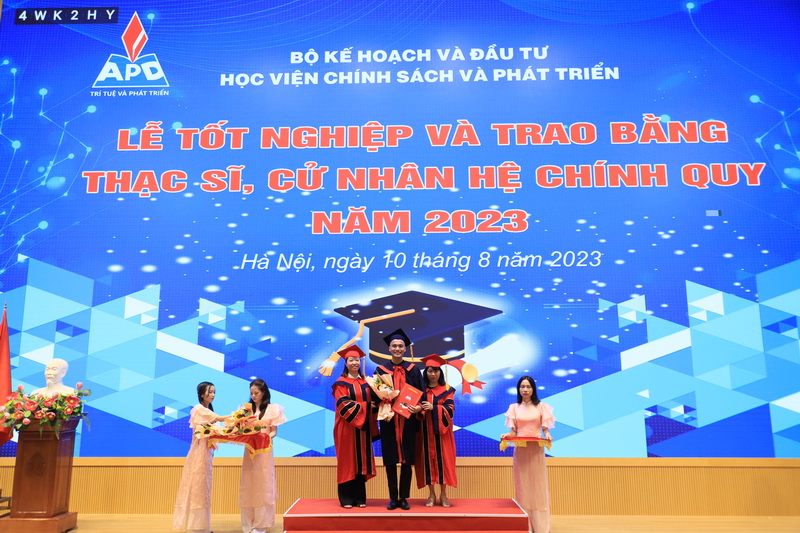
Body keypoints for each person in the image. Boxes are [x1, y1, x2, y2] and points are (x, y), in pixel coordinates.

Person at [374, 328, 424, 510]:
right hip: (389, 420)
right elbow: (376, 395)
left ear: (405, 349)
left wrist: (418, 407)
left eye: (400, 346)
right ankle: (392, 497)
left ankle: (404, 498)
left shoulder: (414, 370)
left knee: (407, 459)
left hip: (408, 420)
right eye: (394, 346)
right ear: (389, 348)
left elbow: (422, 394)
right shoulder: (380, 370)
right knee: (390, 459)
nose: (397, 348)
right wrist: (385, 400)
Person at [501, 376, 555, 533]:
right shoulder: (514, 408)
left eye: (528, 387)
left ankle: (541, 526)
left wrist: (548, 435)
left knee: (538, 485)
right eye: (522, 386)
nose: (525, 390)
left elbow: (545, 429)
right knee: (523, 486)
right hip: (521, 450)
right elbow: (514, 431)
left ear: (533, 389)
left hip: (536, 450)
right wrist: (507, 435)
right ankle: (526, 524)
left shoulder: (541, 407)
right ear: (518, 389)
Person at [173, 381, 228, 533]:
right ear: (202, 394)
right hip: (198, 454)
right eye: (210, 392)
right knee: (198, 488)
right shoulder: (199, 409)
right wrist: (238, 417)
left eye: (214, 392)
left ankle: (203, 526)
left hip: (206, 453)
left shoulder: (208, 410)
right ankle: (196, 527)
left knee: (204, 489)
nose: (213, 395)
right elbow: (219, 419)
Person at [332, 345, 378, 508]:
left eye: (357, 360)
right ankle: (346, 498)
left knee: (361, 460)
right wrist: (367, 406)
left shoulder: (367, 382)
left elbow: (375, 401)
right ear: (345, 363)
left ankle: (359, 498)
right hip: (346, 427)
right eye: (351, 360)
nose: (354, 363)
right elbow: (343, 405)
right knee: (348, 460)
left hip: (362, 428)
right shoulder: (341, 384)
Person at [239, 378, 286, 533]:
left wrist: (265, 438)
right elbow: (240, 429)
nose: (253, 396)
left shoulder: (273, 409)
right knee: (249, 483)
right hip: (250, 450)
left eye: (256, 393)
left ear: (264, 393)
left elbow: (273, 432)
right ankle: (248, 522)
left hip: (264, 450)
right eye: (251, 393)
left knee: (263, 484)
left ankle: (261, 524)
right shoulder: (246, 409)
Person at [415, 354, 457, 507]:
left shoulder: (447, 390)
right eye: (430, 371)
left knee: (443, 462)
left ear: (441, 372)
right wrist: (418, 409)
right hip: (425, 432)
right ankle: (431, 494)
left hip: (442, 433)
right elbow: (415, 409)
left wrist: (434, 408)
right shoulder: (420, 390)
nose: (433, 374)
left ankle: (443, 494)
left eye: (436, 371)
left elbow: (450, 409)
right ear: (425, 372)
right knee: (427, 463)